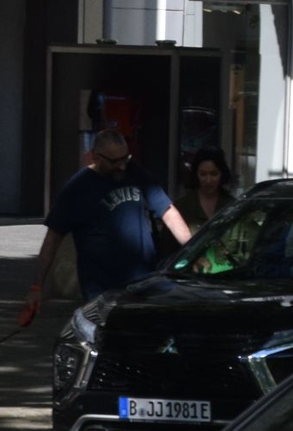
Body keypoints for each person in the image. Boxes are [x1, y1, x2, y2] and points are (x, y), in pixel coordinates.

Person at [32, 128, 196, 309]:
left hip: (143, 283)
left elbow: (168, 212)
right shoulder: (78, 188)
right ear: (96, 157)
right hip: (101, 291)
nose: (122, 166)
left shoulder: (136, 173)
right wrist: (37, 286)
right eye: (114, 161)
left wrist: (193, 250)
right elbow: (53, 238)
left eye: (125, 158)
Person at [178, 146, 235, 238]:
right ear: (196, 175)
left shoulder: (232, 206)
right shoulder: (182, 207)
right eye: (203, 174)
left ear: (222, 174)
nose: (208, 180)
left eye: (214, 174)